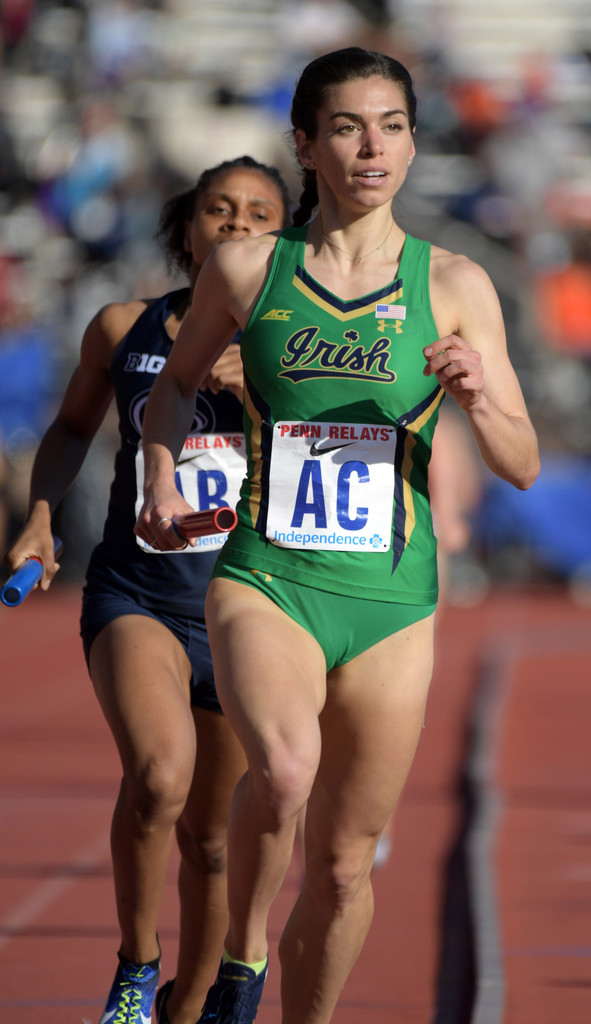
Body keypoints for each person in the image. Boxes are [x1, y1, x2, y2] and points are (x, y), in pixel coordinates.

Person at [135, 47, 540, 1024]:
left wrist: (478, 399)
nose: (371, 147)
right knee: (282, 771)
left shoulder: (454, 283)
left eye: (391, 126)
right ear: (306, 145)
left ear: (413, 144)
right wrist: (159, 476)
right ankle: (241, 964)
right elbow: (173, 387)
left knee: (347, 863)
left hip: (392, 602)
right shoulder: (249, 268)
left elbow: (521, 461)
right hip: (268, 577)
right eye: (349, 127)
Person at [3, 156, 291, 1024]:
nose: (237, 225)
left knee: (213, 840)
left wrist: (263, 396)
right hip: (138, 594)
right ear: (186, 229)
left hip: (248, 607)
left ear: (287, 239)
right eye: (219, 210)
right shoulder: (121, 327)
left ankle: (188, 1004)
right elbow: (69, 427)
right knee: (160, 778)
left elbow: (338, 463)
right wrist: (40, 517)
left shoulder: (301, 347)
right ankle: (136, 965)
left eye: (260, 214)